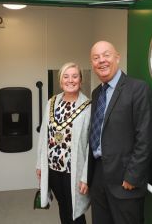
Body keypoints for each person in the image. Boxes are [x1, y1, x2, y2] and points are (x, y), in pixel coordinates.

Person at [87, 41, 152, 224]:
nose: (101, 61)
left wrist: (133, 176)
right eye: (96, 58)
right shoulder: (96, 93)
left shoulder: (138, 89)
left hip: (125, 180)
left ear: (117, 57)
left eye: (106, 55)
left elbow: (146, 137)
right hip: (98, 174)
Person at [36, 62, 91, 224]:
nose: (70, 80)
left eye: (75, 76)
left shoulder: (88, 107)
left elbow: (90, 145)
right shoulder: (52, 102)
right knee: (63, 206)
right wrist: (39, 163)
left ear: (80, 81)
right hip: (53, 168)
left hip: (73, 170)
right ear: (61, 81)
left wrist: (86, 176)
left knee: (76, 212)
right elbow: (44, 136)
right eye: (66, 77)